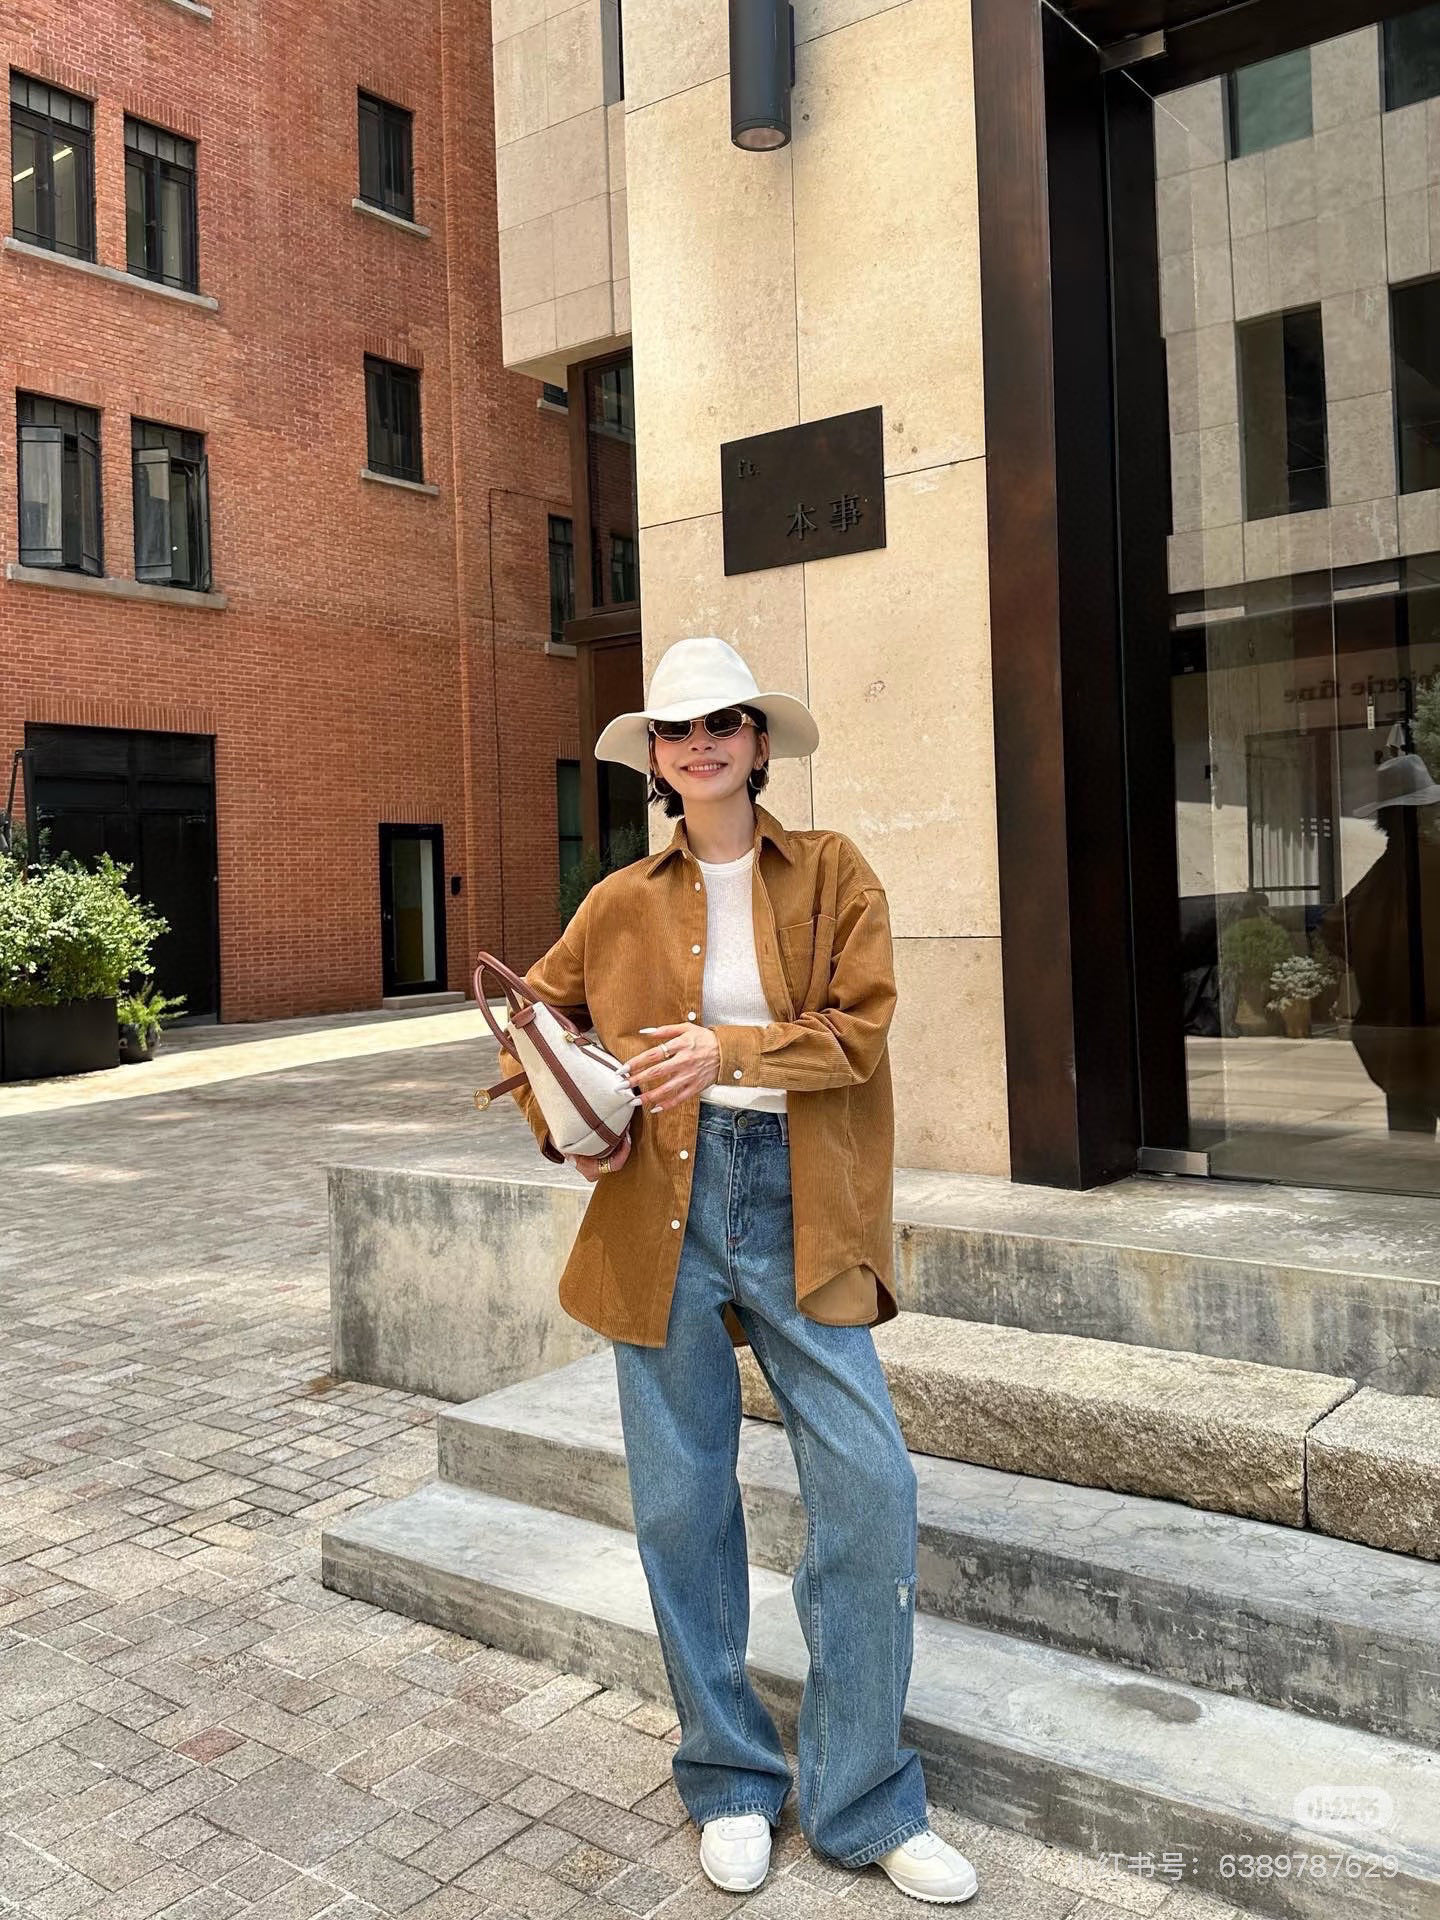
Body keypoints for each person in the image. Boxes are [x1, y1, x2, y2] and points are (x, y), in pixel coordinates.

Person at [494, 635, 977, 1903]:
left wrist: (728, 1052)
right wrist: (571, 1116)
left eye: (722, 723)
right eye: (676, 729)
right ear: (654, 758)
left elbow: (858, 1035)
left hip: (799, 1199)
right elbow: (528, 1022)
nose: (699, 744)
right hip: (657, 1202)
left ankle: (863, 1797)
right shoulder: (617, 901)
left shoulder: (833, 871)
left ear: (759, 743)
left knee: (871, 1489)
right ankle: (728, 1778)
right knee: (680, 1505)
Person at [1318, 751, 1440, 1137]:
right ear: (1424, 811)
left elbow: (1333, 928)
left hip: (1394, 1042)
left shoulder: (1379, 878)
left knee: (1408, 1147)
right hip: (1428, 1034)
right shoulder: (1431, 864)